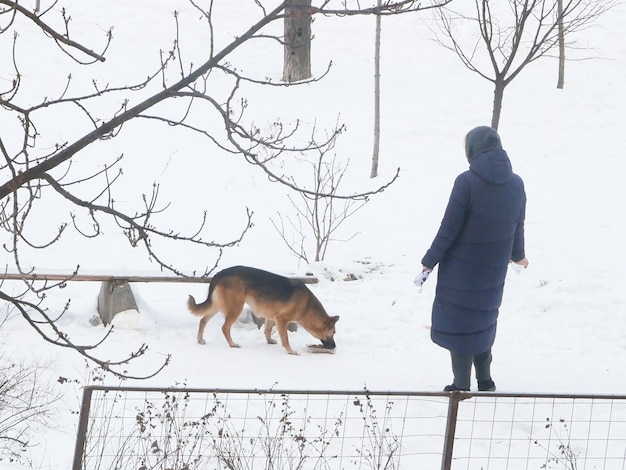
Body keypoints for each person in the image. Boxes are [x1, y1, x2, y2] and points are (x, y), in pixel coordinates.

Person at [420, 126, 528, 392]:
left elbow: (449, 227)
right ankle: (485, 381)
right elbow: (518, 226)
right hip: (493, 272)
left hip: (461, 271)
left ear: (472, 150)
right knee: (482, 324)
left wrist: (430, 260)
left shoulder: (466, 182)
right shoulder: (516, 184)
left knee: (460, 329)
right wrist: (519, 256)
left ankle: (460, 385)